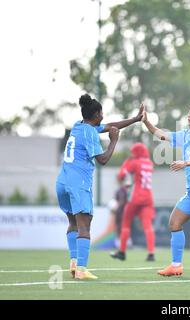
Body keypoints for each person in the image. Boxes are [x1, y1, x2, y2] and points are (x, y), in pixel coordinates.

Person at [56, 93, 144, 280]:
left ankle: (73, 262)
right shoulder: (90, 132)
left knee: (72, 223)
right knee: (84, 225)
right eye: (101, 113)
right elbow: (103, 159)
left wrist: (135, 119)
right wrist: (114, 141)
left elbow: (111, 126)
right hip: (78, 183)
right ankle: (81, 269)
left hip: (62, 181)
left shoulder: (79, 127)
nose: (103, 116)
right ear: (96, 115)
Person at [142, 100, 190, 278]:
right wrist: (146, 122)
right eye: (189, 111)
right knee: (174, 223)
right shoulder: (186, 134)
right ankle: (176, 266)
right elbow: (161, 134)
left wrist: (185, 163)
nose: (189, 114)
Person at [110, 142, 156, 262]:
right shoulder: (149, 163)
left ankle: (122, 252)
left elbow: (121, 175)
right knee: (147, 225)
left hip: (135, 197)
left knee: (125, 223)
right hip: (148, 197)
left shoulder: (135, 162)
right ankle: (151, 253)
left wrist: (126, 162)